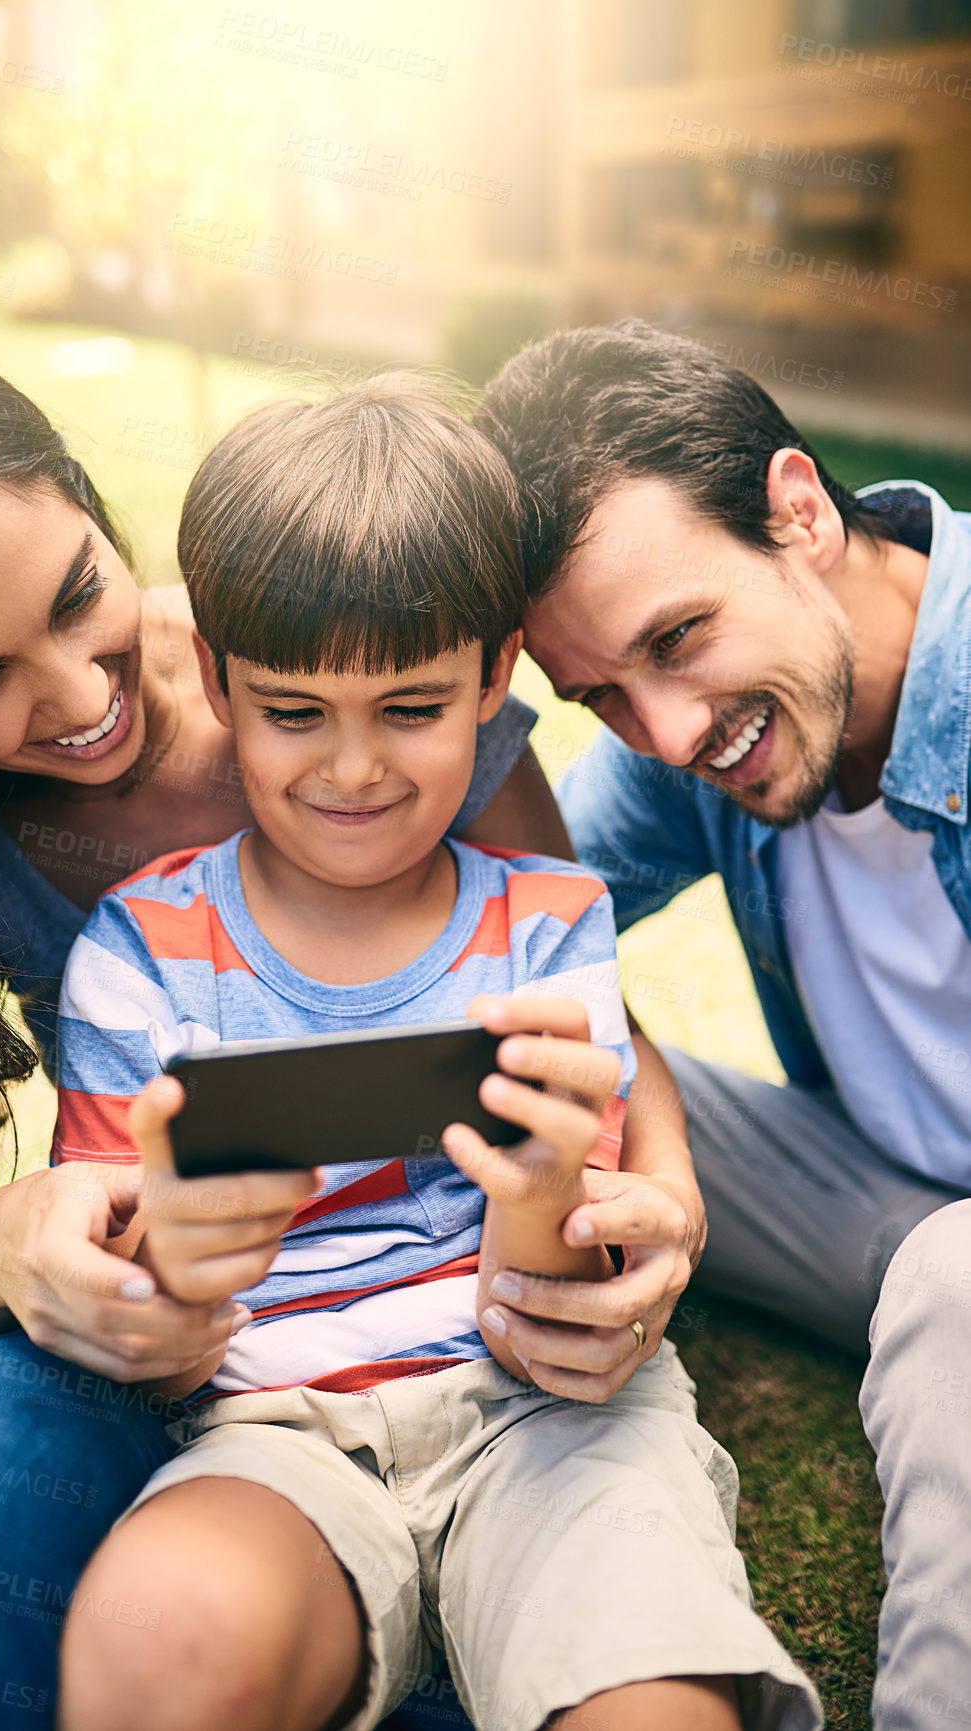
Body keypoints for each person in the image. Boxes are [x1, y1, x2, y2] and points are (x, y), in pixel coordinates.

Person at [0, 311, 699, 1726]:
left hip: (468, 1342)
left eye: (72, 595)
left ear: (94, 510)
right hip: (184, 1341)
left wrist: (665, 1201)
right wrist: (6, 1245)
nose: (81, 696)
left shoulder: (337, 643)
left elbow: (578, 1009)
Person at [51, 376, 819, 1731]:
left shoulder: (547, 926)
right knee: (155, 1645)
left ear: (493, 685)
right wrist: (179, 1266)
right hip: (271, 1434)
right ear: (219, 681)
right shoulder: (140, 951)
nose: (354, 771)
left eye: (411, 709)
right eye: (296, 712)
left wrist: (539, 1194)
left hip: (550, 1420)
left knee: (656, 1708)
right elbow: (149, 1345)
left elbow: (563, 1309)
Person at [476, 319, 971, 1729]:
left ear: (799, 511)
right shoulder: (709, 729)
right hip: (881, 1187)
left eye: (677, 642)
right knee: (520, 1077)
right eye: (602, 698)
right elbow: (511, 927)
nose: (672, 731)